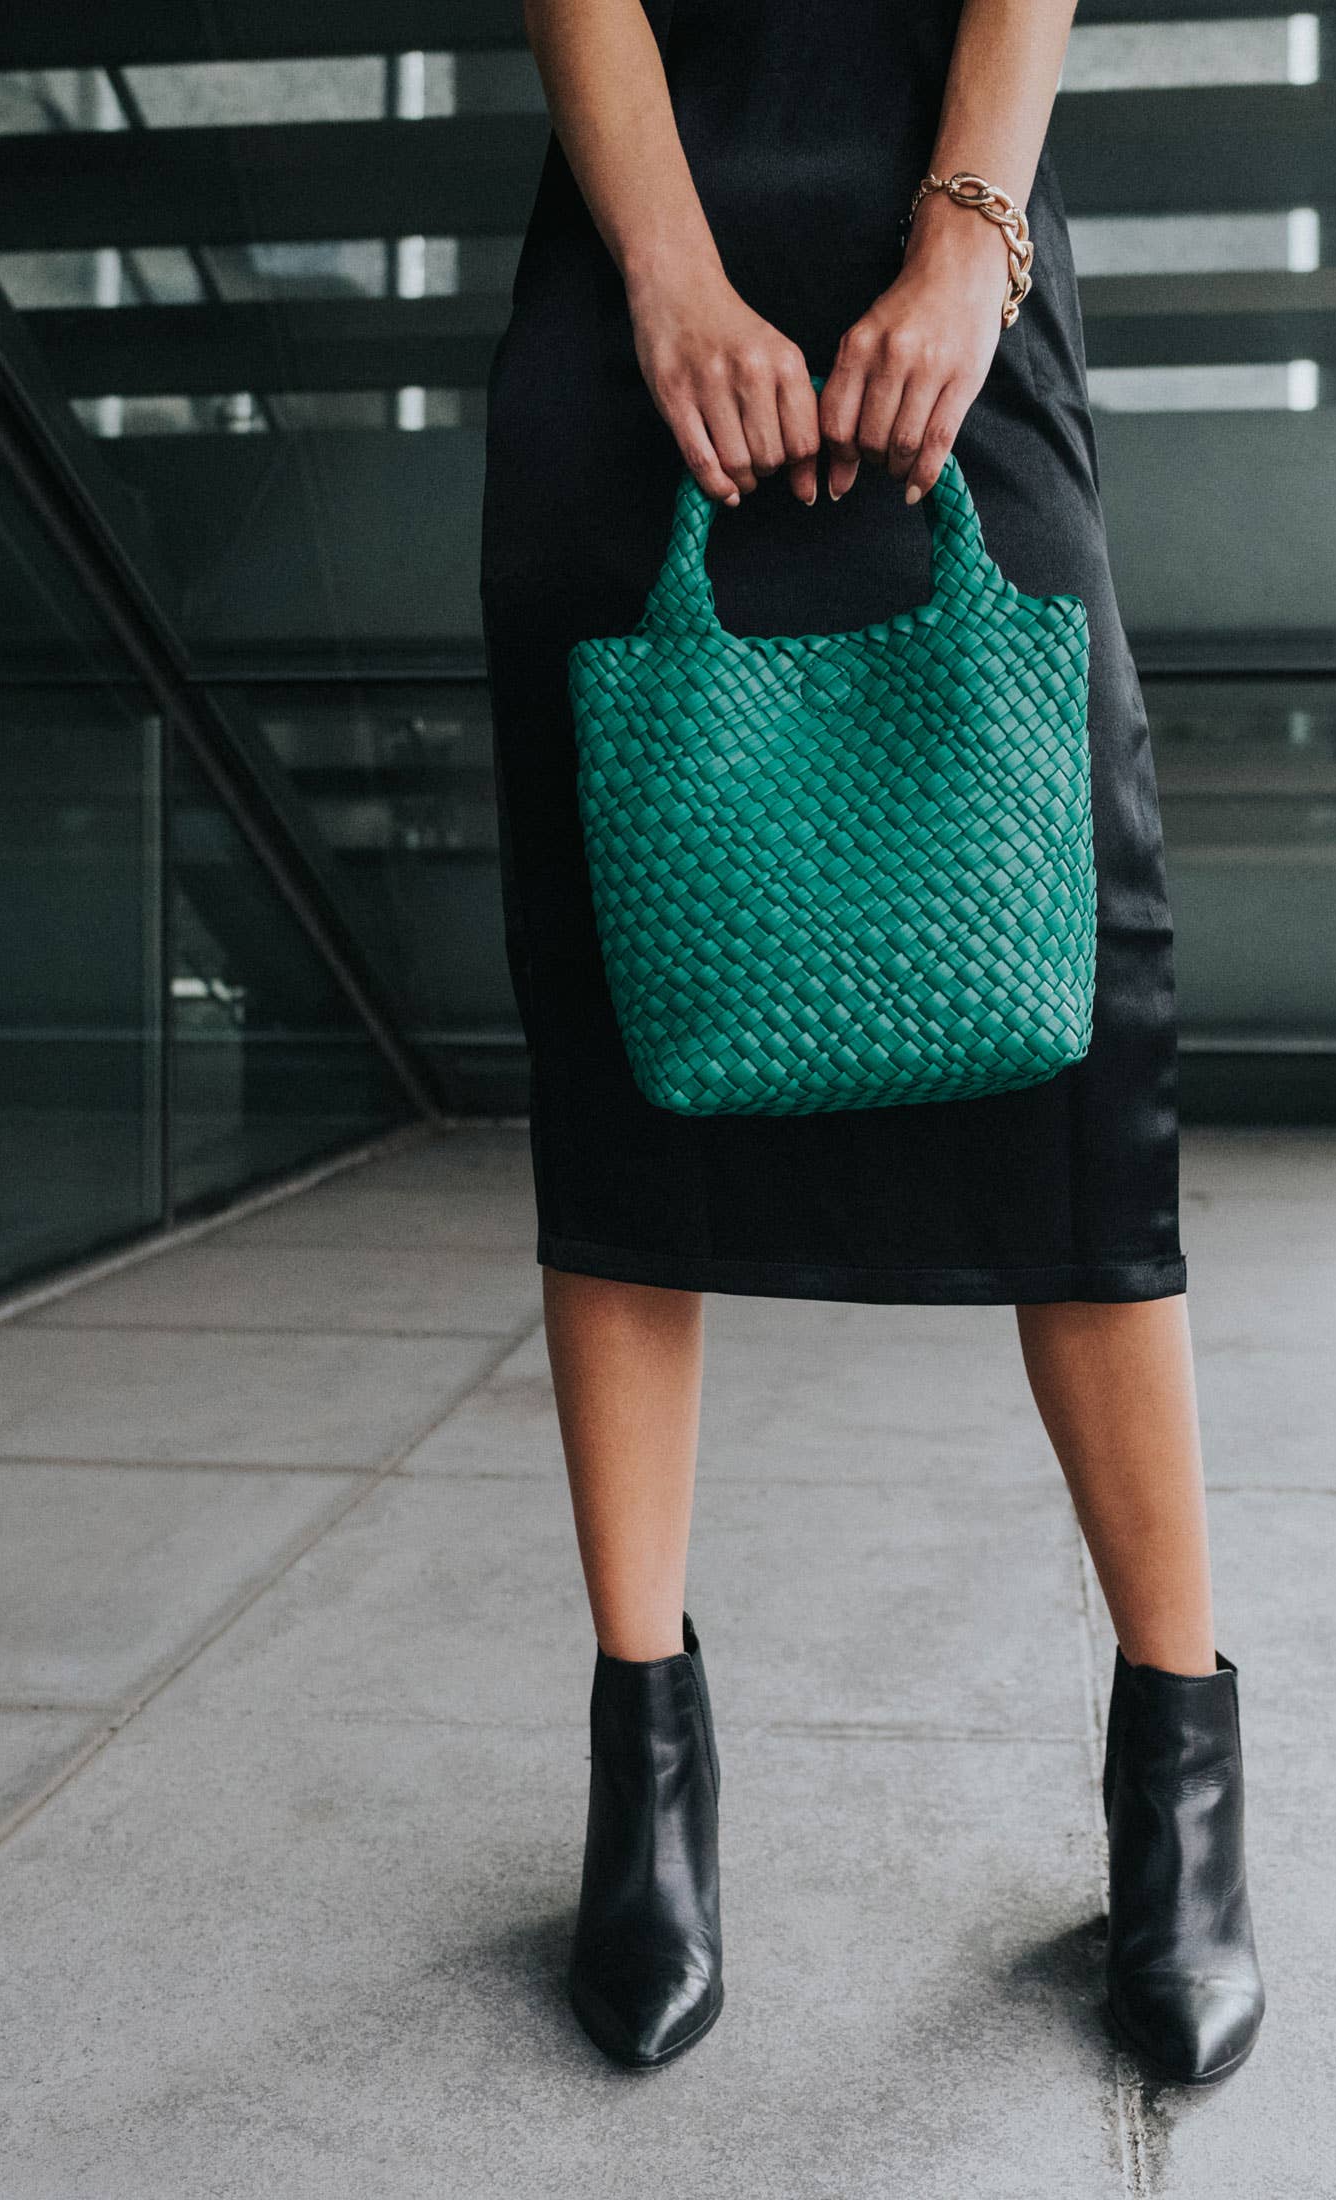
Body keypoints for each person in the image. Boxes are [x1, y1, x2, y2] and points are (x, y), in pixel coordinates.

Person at [480, 0, 1263, 2083]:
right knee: (632, 1030)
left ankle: (1179, 1790)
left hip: (950, 242)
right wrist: (663, 273)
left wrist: (970, 232)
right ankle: (643, 1771)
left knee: (1080, 1059)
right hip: (637, 256)